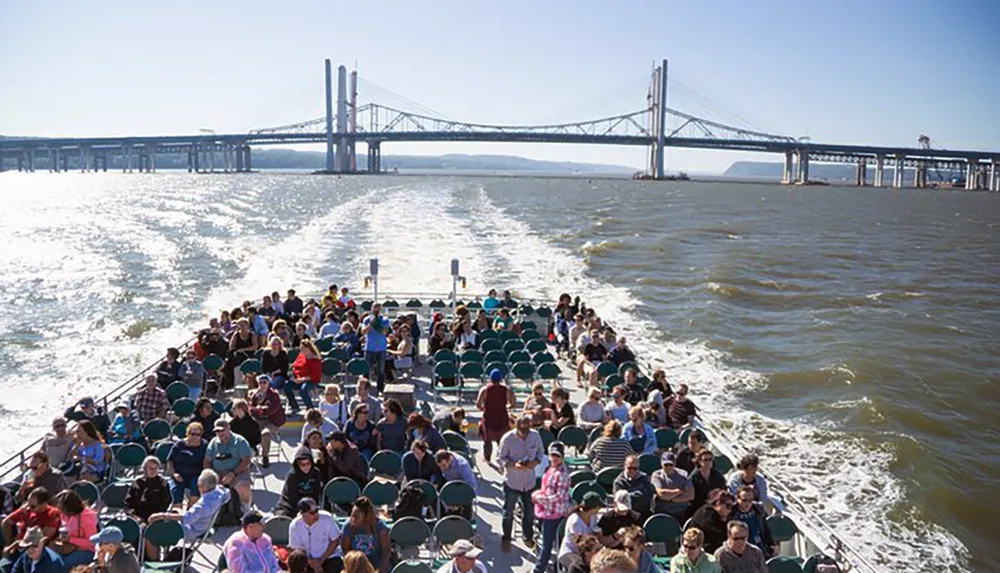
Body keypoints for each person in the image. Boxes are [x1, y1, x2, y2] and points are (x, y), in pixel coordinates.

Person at [146, 470, 230, 546]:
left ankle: (157, 556)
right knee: (175, 511)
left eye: (199, 485)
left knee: (155, 528)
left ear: (203, 487)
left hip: (193, 530)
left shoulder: (202, 505)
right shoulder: (219, 493)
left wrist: (162, 515)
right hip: (204, 525)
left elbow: (187, 518)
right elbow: (227, 493)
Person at [497, 415, 543, 550]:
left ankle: (528, 537)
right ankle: (506, 537)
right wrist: (513, 464)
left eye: (526, 428)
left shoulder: (535, 436)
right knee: (508, 512)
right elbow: (499, 458)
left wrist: (536, 462)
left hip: (529, 481)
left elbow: (541, 452)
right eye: (521, 428)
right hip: (512, 481)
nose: (524, 431)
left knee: (529, 512)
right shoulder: (507, 438)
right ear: (516, 426)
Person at [531, 442, 571, 573]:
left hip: (556, 514)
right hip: (546, 511)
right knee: (551, 544)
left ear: (563, 457)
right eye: (553, 455)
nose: (554, 458)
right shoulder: (550, 469)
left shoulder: (563, 474)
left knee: (547, 545)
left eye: (557, 456)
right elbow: (545, 489)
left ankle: (538, 570)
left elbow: (560, 496)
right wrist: (538, 494)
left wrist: (541, 499)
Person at [2, 488, 61, 571]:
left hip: (33, 551)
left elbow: (39, 540)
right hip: (17, 547)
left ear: (43, 504)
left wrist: (13, 545)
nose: (29, 508)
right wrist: (9, 543)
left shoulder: (52, 514)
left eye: (32, 506)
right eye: (27, 503)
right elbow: (6, 523)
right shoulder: (26, 509)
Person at [204, 419, 253, 509]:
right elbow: (207, 460)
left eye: (222, 430)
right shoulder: (213, 442)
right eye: (217, 431)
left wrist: (233, 474)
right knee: (204, 484)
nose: (219, 433)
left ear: (228, 428)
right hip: (218, 473)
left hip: (238, 472)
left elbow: (246, 460)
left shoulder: (240, 441)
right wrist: (212, 475)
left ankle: (246, 510)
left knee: (243, 487)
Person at [289, 498, 343, 573]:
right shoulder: (295, 525)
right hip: (307, 561)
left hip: (327, 557)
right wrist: (313, 564)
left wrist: (321, 560)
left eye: (317, 510)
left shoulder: (327, 518)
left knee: (334, 566)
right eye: (312, 513)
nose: (316, 514)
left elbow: (335, 541)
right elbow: (296, 549)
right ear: (303, 514)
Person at [340, 497, 390, 573]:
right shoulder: (348, 526)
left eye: (356, 518)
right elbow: (345, 550)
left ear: (366, 517)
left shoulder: (380, 527)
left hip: (374, 558)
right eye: (352, 516)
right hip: (355, 559)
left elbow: (386, 550)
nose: (353, 520)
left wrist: (382, 569)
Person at [476, 369, 515, 463]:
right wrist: (506, 407)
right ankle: (503, 457)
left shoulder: (485, 390)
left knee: (487, 439)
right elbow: (513, 404)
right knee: (502, 439)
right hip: (502, 416)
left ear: (490, 378)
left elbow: (478, 404)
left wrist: (483, 408)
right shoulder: (506, 390)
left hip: (489, 416)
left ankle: (487, 458)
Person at [49, 491, 96, 568]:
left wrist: (71, 539)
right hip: (68, 548)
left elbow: (91, 542)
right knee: (50, 560)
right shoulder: (64, 515)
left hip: (86, 550)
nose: (60, 511)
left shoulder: (86, 519)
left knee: (63, 565)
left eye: (62, 508)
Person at [275, 448, 325, 519]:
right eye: (303, 465)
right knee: (282, 518)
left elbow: (316, 493)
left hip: (309, 503)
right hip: (290, 505)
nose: (306, 467)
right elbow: (291, 497)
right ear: (298, 465)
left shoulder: (316, 473)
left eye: (308, 463)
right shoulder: (292, 476)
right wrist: (301, 511)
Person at [166, 422, 207, 507]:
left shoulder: (204, 445)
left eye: (198, 434)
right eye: (192, 434)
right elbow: (170, 461)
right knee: (175, 491)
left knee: (195, 490)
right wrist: (174, 474)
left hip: (196, 475)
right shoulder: (179, 444)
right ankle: (177, 513)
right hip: (179, 475)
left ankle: (191, 513)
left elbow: (207, 461)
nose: (195, 437)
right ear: (187, 434)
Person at [730, 486, 777, 559]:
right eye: (744, 500)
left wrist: (772, 544)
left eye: (750, 500)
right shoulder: (731, 513)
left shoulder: (758, 509)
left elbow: (765, 528)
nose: (747, 503)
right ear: (737, 498)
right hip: (742, 550)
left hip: (760, 547)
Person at [557, 492, 603, 561]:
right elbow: (578, 543)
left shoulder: (594, 517)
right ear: (592, 508)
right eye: (598, 507)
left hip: (588, 552)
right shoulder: (575, 521)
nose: (600, 509)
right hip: (570, 552)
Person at [124, 457, 171, 523]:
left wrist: (157, 516)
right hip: (139, 516)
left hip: (156, 516)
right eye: (150, 468)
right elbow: (129, 504)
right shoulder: (137, 483)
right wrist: (134, 516)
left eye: (155, 468)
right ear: (145, 469)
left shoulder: (163, 483)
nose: (153, 470)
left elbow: (166, 502)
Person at [651, 453, 694, 524]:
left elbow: (691, 495)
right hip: (662, 513)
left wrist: (671, 498)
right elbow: (661, 494)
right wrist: (679, 491)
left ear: (675, 463)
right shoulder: (656, 475)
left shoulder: (684, 474)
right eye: (666, 465)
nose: (668, 467)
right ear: (661, 464)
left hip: (682, 512)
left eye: (671, 465)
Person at [613, 455, 656, 522]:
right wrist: (640, 494)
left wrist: (628, 495)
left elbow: (649, 494)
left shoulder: (645, 478)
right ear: (625, 466)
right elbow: (620, 500)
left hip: (643, 514)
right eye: (629, 468)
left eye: (635, 468)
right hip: (626, 515)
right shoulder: (619, 481)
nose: (632, 471)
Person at [361, 304, 390, 394]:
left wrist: (377, 324)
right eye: (374, 309)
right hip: (369, 348)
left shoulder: (384, 320)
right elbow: (363, 332)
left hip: (381, 348)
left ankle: (380, 389)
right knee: (366, 369)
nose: (376, 311)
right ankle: (365, 389)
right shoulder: (366, 319)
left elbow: (384, 332)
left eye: (378, 310)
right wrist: (370, 324)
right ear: (371, 309)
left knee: (381, 370)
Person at [289, 340, 323, 412]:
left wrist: (301, 380)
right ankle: (294, 406)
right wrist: (293, 377)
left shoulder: (315, 359)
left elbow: (314, 375)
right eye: (301, 348)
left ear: (309, 349)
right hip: (298, 379)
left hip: (311, 380)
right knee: (286, 386)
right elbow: (295, 367)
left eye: (304, 348)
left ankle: (310, 408)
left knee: (303, 390)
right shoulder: (301, 356)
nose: (302, 350)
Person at [689, 452, 727, 517]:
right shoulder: (694, 477)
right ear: (699, 461)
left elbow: (724, 489)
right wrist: (707, 500)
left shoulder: (717, 475)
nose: (708, 462)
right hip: (699, 508)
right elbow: (691, 497)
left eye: (710, 459)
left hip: (717, 506)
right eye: (705, 460)